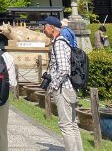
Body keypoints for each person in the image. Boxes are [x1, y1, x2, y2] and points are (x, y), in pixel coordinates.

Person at [42, 16, 84, 151]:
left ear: (52, 28)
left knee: (66, 125)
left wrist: (54, 85)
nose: (43, 29)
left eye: (45, 26)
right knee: (72, 124)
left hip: (63, 89)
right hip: (69, 88)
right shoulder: (63, 41)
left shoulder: (59, 43)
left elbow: (64, 69)